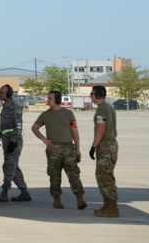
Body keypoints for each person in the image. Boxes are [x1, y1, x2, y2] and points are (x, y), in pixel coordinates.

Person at [31, 90, 86, 210]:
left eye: (50, 98)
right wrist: (44, 139)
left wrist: (77, 149)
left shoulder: (68, 113)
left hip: (68, 147)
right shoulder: (45, 115)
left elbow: (74, 131)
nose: (48, 100)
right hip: (54, 148)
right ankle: (57, 199)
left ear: (57, 100)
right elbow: (34, 128)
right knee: (54, 175)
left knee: (74, 174)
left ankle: (79, 198)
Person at [0, 84, 30, 202]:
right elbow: (6, 125)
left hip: (13, 141)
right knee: (13, 166)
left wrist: (13, 142)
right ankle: (24, 191)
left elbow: (18, 126)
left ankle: (4, 192)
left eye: (1, 93)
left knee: (9, 166)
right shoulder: (5, 106)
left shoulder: (15, 107)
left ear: (8, 94)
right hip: (6, 139)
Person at [89, 85, 119, 217]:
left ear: (99, 95)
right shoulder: (109, 108)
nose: (91, 95)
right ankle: (108, 205)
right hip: (111, 144)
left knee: (104, 176)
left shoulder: (101, 110)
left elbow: (101, 128)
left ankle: (112, 208)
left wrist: (93, 146)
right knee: (107, 175)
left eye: (92, 93)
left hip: (105, 145)